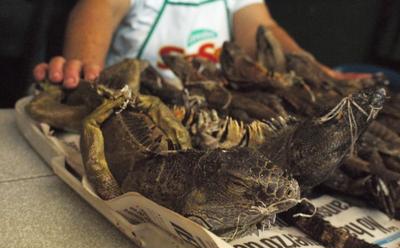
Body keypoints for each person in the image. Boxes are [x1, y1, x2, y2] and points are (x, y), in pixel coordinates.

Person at [33, 0, 367, 89]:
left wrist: (321, 73)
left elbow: (263, 31)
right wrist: (85, 70)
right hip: (134, 112)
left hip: (204, 120)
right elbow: (99, 7)